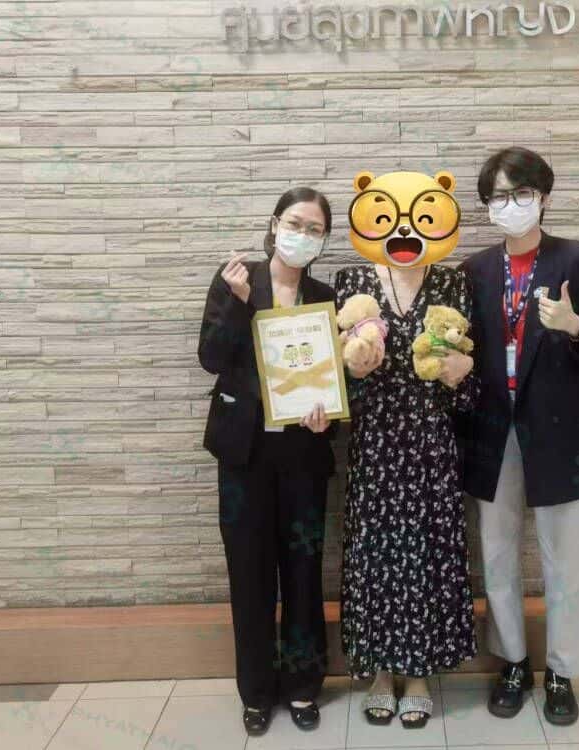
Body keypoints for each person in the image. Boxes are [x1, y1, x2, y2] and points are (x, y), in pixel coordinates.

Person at [456, 147, 579, 726]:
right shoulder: (474, 271)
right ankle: (511, 662)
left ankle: (560, 671)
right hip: (491, 429)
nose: (511, 205)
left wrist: (575, 327)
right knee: (498, 553)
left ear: (544, 196)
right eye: (498, 196)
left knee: (564, 559)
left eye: (521, 193)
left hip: (562, 433)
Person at [337, 170, 479, 729]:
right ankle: (379, 671)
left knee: (426, 552)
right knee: (376, 553)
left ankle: (418, 674)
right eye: (388, 217)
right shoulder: (351, 281)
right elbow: (334, 375)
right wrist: (354, 373)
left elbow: (470, 379)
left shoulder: (452, 283)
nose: (403, 230)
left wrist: (460, 375)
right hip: (374, 441)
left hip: (431, 443)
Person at [197, 187, 338, 737]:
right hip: (244, 455)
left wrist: (330, 417)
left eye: (314, 229)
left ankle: (303, 686)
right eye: (295, 223)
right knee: (250, 576)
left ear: (323, 240)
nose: (302, 235)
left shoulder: (324, 296)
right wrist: (237, 302)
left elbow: (335, 378)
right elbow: (211, 357)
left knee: (303, 573)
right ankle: (256, 692)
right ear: (275, 224)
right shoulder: (236, 279)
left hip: (303, 455)